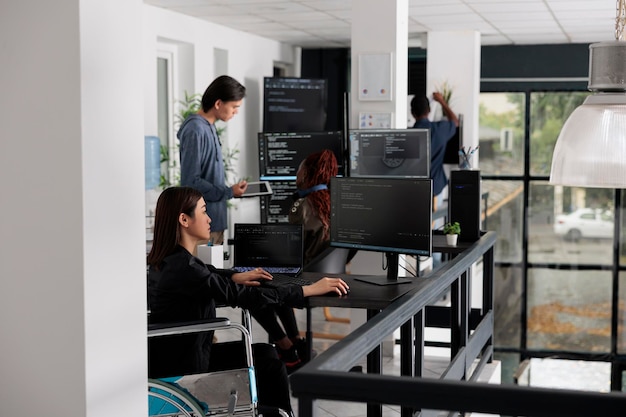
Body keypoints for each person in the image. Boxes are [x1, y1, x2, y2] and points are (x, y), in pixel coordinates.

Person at [147, 186, 349, 416]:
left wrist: (234, 276)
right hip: (187, 365)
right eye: (203, 211)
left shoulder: (171, 260)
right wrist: (307, 290)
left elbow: (208, 273)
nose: (209, 218)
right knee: (271, 367)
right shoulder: (184, 267)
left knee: (266, 352)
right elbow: (244, 296)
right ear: (184, 219)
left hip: (181, 354)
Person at [248, 150, 339, 372]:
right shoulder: (337, 202)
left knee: (252, 288)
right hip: (331, 276)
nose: (296, 174)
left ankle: (286, 347)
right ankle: (297, 342)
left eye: (299, 169)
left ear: (307, 173)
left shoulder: (302, 206)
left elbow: (291, 251)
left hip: (306, 277)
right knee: (277, 281)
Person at [178, 75, 248, 245]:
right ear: (218, 104)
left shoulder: (208, 126)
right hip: (201, 228)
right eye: (234, 107)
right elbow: (191, 182)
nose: (236, 112)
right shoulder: (195, 129)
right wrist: (229, 192)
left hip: (213, 224)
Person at [411, 92, 459, 210]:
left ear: (412, 113)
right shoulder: (439, 129)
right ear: (429, 110)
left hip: (414, 190)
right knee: (435, 220)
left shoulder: (408, 135)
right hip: (436, 187)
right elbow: (455, 122)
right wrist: (442, 101)